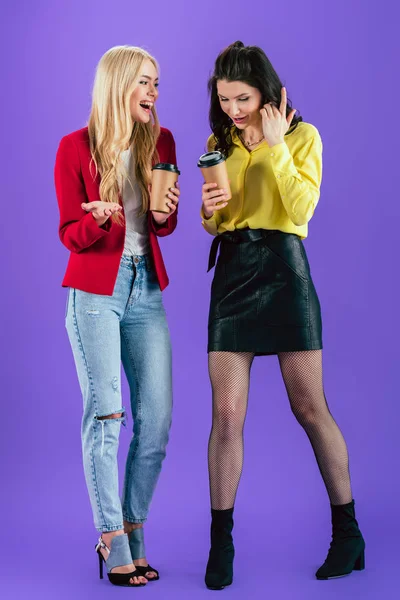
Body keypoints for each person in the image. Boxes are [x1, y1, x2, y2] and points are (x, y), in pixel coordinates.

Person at [200, 41, 365, 590]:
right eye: (224, 100)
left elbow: (301, 209)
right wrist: (208, 212)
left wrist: (273, 148)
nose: (233, 110)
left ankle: (349, 534)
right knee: (226, 416)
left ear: (267, 91)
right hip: (232, 275)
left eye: (242, 98)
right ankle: (220, 543)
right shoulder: (216, 142)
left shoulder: (303, 136)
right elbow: (216, 219)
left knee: (310, 407)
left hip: (284, 270)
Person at [54, 45, 180, 588]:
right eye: (145, 83)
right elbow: (69, 234)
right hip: (95, 294)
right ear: (119, 84)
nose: (154, 93)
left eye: (157, 84)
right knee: (106, 415)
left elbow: (162, 225)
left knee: (155, 421)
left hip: (144, 289)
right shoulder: (74, 147)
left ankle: (134, 526)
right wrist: (101, 220)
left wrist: (164, 213)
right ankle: (112, 538)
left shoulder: (164, 143)